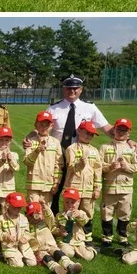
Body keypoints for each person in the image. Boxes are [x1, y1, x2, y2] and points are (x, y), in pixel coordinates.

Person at [47, 74, 115, 213]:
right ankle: (53, 222)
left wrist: (127, 140)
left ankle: (76, 225)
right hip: (58, 156)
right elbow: (41, 129)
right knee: (53, 191)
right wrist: (30, 137)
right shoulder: (53, 108)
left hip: (79, 158)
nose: (72, 91)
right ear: (63, 89)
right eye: (69, 88)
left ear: (81, 89)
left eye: (75, 88)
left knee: (77, 193)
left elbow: (106, 127)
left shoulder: (90, 108)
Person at [101, 118, 137, 246]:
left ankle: (123, 237)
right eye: (119, 129)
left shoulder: (133, 149)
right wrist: (110, 167)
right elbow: (98, 166)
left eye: (125, 130)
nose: (121, 132)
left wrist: (126, 166)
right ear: (114, 130)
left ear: (129, 132)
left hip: (126, 188)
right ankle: (107, 237)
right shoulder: (105, 147)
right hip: (109, 187)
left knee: (124, 213)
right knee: (107, 213)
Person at [64, 121, 102, 238]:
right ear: (79, 131)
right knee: (70, 212)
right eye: (87, 133)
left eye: (91, 134)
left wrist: (97, 188)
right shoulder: (71, 149)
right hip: (73, 187)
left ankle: (87, 236)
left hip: (88, 188)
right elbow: (71, 168)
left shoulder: (94, 150)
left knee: (88, 212)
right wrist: (80, 164)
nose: (89, 136)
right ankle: (68, 235)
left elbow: (98, 170)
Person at [26, 201, 81, 274]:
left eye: (37, 214)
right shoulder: (28, 226)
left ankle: (70, 265)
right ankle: (56, 268)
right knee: (46, 258)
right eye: (31, 215)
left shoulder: (45, 222)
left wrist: (45, 207)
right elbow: (28, 238)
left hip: (51, 245)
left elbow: (50, 217)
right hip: (40, 249)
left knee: (58, 253)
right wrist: (35, 251)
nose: (34, 217)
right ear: (28, 216)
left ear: (41, 213)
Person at [23, 110, 63, 208]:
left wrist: (56, 182)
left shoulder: (56, 143)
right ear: (36, 125)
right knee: (33, 212)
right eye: (41, 124)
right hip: (33, 184)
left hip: (48, 185)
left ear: (51, 126)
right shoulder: (30, 142)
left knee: (45, 212)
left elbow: (59, 164)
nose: (44, 127)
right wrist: (36, 151)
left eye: (46, 125)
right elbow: (27, 162)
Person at [55, 188, 96, 262]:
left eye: (73, 202)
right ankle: (69, 251)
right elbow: (54, 228)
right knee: (68, 253)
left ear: (78, 202)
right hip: (65, 241)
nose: (70, 205)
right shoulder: (59, 215)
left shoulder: (81, 213)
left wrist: (78, 215)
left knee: (88, 257)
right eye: (67, 202)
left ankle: (90, 249)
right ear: (63, 202)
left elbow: (85, 221)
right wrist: (59, 232)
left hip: (78, 241)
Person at [0, 192, 34, 267]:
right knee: (19, 265)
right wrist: (6, 236)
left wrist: (25, 237)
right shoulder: (1, 219)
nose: (18, 208)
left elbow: (27, 232)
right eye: (15, 206)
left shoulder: (23, 218)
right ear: (8, 205)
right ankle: (7, 255)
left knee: (32, 263)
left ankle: (19, 254)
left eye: (20, 206)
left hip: (23, 245)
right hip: (9, 245)